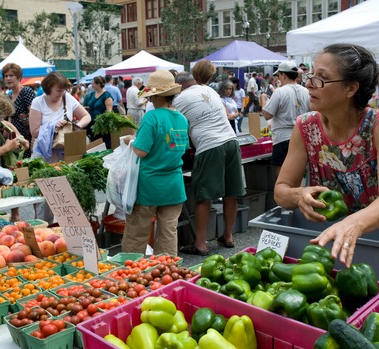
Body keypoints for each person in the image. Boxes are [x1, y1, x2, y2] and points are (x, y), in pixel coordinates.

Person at [274, 43, 379, 270]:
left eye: (321, 78)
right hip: (327, 244)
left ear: (350, 89)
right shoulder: (305, 127)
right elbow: (281, 190)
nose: (308, 84)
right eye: (311, 75)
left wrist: (352, 224)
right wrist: (299, 195)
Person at [173, 60, 246, 255]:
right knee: (231, 192)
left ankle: (200, 244)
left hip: (209, 145)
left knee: (203, 196)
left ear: (179, 86)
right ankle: (228, 236)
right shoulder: (211, 91)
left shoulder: (179, 100)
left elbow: (176, 129)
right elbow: (222, 114)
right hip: (231, 141)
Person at [121, 70, 189, 256]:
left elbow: (141, 151)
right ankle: (166, 275)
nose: (149, 100)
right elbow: (181, 148)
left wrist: (130, 141)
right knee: (168, 235)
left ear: (156, 96)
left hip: (148, 187)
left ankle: (131, 276)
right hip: (174, 187)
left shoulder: (152, 117)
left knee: (137, 235)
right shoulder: (182, 119)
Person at [30, 72, 91, 163]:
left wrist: (74, 127)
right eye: (58, 90)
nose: (62, 93)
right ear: (48, 88)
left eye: (63, 90)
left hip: (67, 151)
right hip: (45, 155)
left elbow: (86, 116)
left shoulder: (68, 98)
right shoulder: (38, 102)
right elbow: (34, 132)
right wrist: (53, 126)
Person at [262, 61, 310, 176]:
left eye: (279, 76)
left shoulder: (280, 91)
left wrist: (263, 99)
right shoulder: (306, 91)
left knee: (282, 178)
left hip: (283, 138)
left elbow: (267, 114)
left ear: (283, 75)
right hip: (301, 137)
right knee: (297, 175)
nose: (279, 79)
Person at [2, 63, 36, 157]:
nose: (8, 78)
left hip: (26, 137)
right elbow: (9, 119)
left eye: (11, 75)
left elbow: (35, 115)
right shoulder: (8, 96)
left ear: (19, 77)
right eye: (6, 76)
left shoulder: (26, 91)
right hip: (14, 139)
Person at [83, 76, 113, 147]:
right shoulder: (92, 94)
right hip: (92, 123)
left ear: (98, 84)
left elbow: (109, 111)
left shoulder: (106, 95)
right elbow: (90, 106)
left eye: (93, 84)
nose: (91, 85)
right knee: (94, 143)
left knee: (104, 143)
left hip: (101, 125)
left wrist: (102, 120)